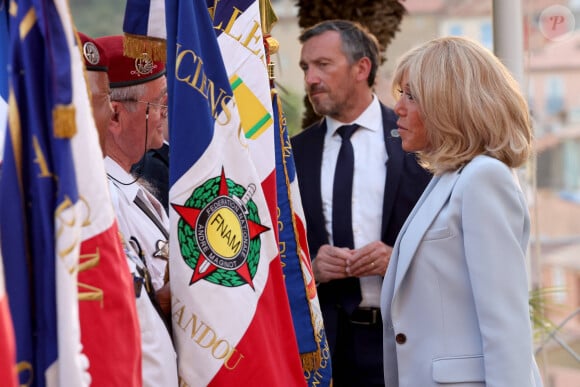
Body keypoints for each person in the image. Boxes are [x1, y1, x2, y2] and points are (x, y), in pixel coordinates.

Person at [381, 36, 543, 387]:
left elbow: (506, 324)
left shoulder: (484, 178)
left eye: (411, 95)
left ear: (448, 104)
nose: (398, 108)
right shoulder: (449, 178)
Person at [291, 20, 431, 386]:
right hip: (325, 350)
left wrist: (396, 260)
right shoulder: (293, 153)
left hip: (404, 341)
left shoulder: (418, 145)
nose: (311, 79)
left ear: (361, 68)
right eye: (306, 68)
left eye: (323, 65)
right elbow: (279, 246)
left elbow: (448, 241)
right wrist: (312, 270)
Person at [94, 34, 178, 387]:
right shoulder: (104, 199)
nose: (163, 116)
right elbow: (120, 307)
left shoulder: (131, 187)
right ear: (115, 115)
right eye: (157, 104)